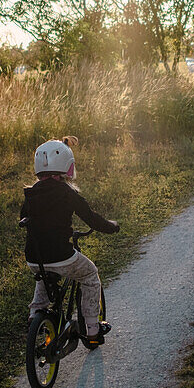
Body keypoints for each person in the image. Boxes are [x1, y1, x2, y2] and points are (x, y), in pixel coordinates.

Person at [21, 136, 120, 345]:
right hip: (62, 257)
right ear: (67, 166)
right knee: (90, 275)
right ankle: (93, 329)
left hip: (33, 257)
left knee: (43, 272)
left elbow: (26, 219)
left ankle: (35, 315)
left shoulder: (30, 193)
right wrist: (112, 227)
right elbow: (91, 218)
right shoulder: (67, 193)